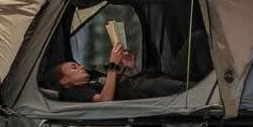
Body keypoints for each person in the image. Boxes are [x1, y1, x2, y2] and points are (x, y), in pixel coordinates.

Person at [45, 43, 186, 103]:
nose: (81, 67)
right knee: (185, 87)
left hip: (145, 82)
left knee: (196, 39)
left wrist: (131, 67)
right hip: (144, 88)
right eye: (74, 67)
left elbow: (130, 82)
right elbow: (104, 100)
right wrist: (112, 66)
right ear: (64, 81)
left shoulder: (92, 79)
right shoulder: (75, 91)